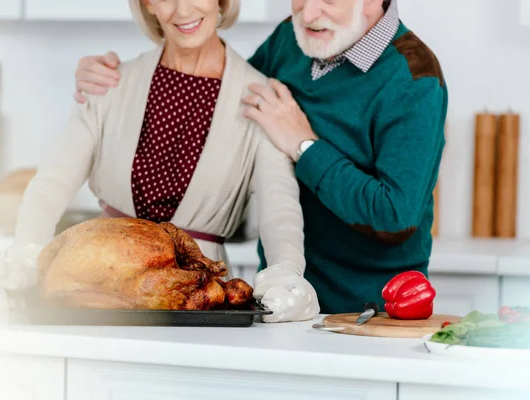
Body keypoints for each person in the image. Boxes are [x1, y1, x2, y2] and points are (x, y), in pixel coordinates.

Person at [74, 0, 448, 314]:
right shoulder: (295, 37)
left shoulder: (414, 79)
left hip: (369, 310)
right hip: (280, 299)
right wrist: (111, 79)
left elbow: (395, 217)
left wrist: (304, 146)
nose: (308, 11)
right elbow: (225, 97)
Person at [0, 0, 320, 323]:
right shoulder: (108, 84)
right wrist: (27, 250)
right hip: (102, 292)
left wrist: (286, 273)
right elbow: (49, 187)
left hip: (199, 304)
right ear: (147, 4)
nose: (183, 11)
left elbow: (281, 210)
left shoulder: (261, 100)